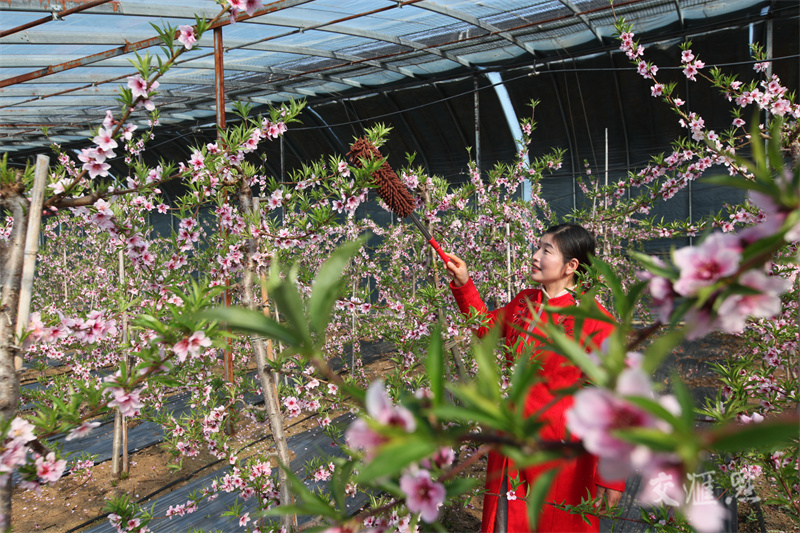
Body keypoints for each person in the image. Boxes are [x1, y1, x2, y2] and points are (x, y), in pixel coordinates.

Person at [444, 223, 625, 533]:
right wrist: (464, 283)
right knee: (506, 522)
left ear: (571, 266)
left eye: (546, 250)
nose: (535, 255)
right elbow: (487, 329)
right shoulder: (523, 303)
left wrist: (611, 476)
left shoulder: (597, 321)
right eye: (537, 247)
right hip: (512, 441)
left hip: (561, 450)